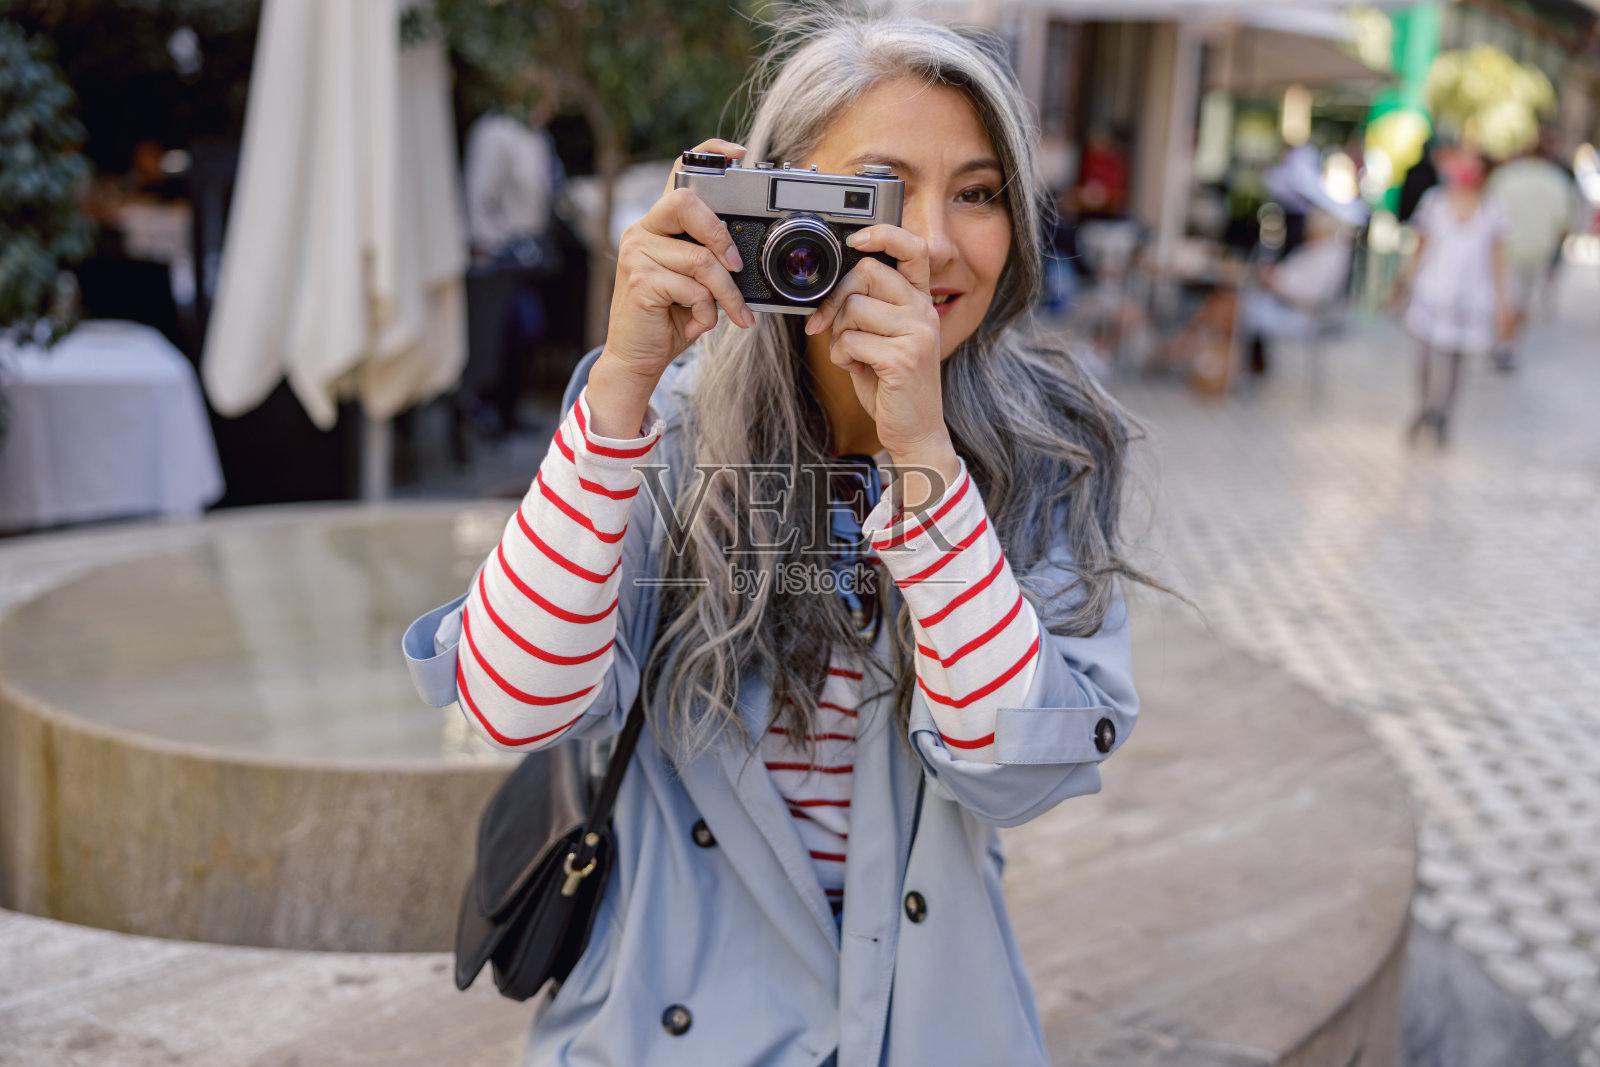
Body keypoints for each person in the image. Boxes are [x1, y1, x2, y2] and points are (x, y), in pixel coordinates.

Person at [406, 10, 1147, 1065]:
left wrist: (922, 457)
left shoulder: (1047, 451)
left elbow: (1011, 771)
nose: (935, 242)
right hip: (667, 1016)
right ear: (777, 209)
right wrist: (620, 381)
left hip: (926, 1019)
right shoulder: (657, 421)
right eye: (880, 191)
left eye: (978, 193)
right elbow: (514, 701)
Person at [1397, 142, 1509, 446]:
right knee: (1424, 353)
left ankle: (1443, 414)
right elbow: (1420, 246)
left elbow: (1497, 259)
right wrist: (1404, 282)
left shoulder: (1492, 210)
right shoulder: (1434, 202)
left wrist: (1501, 302)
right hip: (1432, 289)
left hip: (1471, 294)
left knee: (1458, 357)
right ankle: (1424, 407)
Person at [1485, 135, 1581, 371]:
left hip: (1506, 249)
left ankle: (1504, 342)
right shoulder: (1558, 182)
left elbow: (1487, 211)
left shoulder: (1506, 177)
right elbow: (1565, 223)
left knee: (1507, 297)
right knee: (1521, 301)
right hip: (1538, 251)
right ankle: (1509, 343)